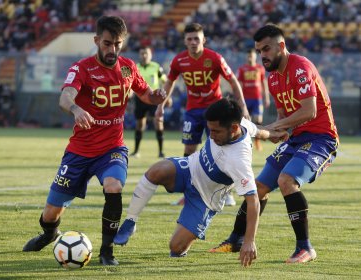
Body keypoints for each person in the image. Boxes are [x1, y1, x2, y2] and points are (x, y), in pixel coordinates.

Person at [22, 16, 166, 266]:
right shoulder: (82, 68)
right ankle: (49, 234)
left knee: (114, 186)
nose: (113, 50)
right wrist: (76, 110)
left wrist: (157, 96)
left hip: (112, 148)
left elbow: (146, 95)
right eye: (108, 43)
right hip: (79, 151)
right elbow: (65, 97)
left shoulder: (128, 67)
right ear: (97, 40)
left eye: (118, 44)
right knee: (50, 214)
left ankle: (107, 251)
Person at [209, 24, 339, 264]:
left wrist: (266, 128)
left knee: (286, 181)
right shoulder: (273, 78)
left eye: (266, 49)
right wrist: (269, 132)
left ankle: (305, 248)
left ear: (281, 46)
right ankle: (236, 239)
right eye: (259, 51)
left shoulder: (300, 67)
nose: (262, 55)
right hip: (297, 139)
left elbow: (309, 111)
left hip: (321, 138)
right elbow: (283, 120)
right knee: (257, 187)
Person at [113, 98, 288, 267]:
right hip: (190, 168)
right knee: (156, 170)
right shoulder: (239, 123)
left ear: (234, 128)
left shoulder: (239, 160)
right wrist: (272, 135)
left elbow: (253, 201)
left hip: (205, 198)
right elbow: (257, 130)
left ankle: (188, 231)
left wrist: (249, 241)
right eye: (210, 130)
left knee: (176, 247)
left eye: (216, 131)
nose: (211, 135)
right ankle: (130, 221)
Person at [158, 23, 249, 206]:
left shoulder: (214, 58)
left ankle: (226, 192)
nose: (193, 42)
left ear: (203, 40)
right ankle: (188, 193)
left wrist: (242, 105)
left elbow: (232, 80)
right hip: (192, 111)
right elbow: (169, 82)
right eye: (189, 39)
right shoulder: (179, 61)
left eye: (196, 39)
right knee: (189, 151)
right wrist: (160, 105)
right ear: (185, 41)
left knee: (219, 151)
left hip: (215, 112)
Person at [130, 46, 167, 158]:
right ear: (139, 55)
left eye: (146, 53)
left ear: (150, 54)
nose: (144, 55)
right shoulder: (135, 67)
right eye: (142, 53)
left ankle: (161, 152)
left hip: (153, 99)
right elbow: (130, 83)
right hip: (140, 99)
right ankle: (136, 151)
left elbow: (164, 81)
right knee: (140, 124)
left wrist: (165, 96)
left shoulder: (156, 67)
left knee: (158, 122)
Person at [237, 49, 270, 151]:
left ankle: (257, 141)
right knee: (246, 121)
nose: (250, 58)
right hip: (246, 99)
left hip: (257, 99)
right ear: (247, 57)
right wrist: (239, 99)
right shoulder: (242, 69)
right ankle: (246, 141)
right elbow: (238, 84)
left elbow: (263, 82)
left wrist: (267, 97)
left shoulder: (260, 68)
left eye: (252, 56)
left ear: (256, 56)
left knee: (258, 120)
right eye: (249, 56)